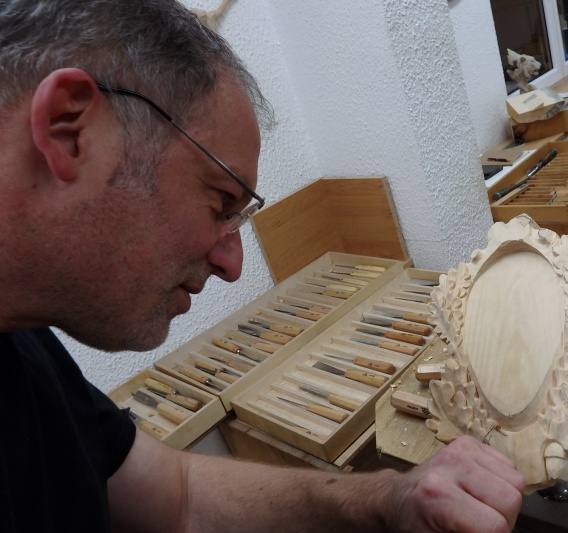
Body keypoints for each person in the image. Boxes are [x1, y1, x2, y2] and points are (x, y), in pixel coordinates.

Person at [0, 1, 525, 532]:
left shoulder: (29, 350)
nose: (232, 265)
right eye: (219, 201)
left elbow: (180, 494)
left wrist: (390, 499)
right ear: (71, 132)